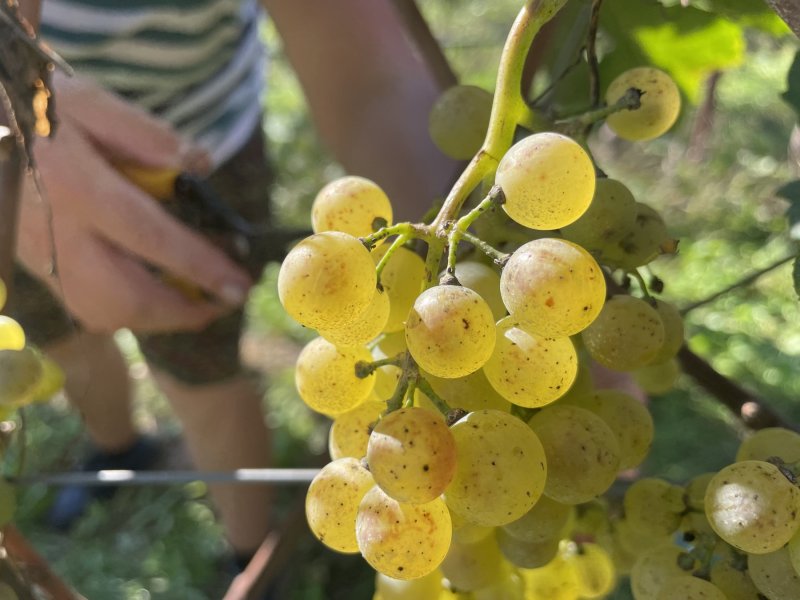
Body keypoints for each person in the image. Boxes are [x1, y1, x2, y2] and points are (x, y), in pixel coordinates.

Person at [13, 0, 457, 571]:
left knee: (203, 377)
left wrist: (463, 262)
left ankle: (248, 556)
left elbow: (365, 75)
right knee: (61, 341)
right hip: (10, 181)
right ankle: (119, 447)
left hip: (200, 166)